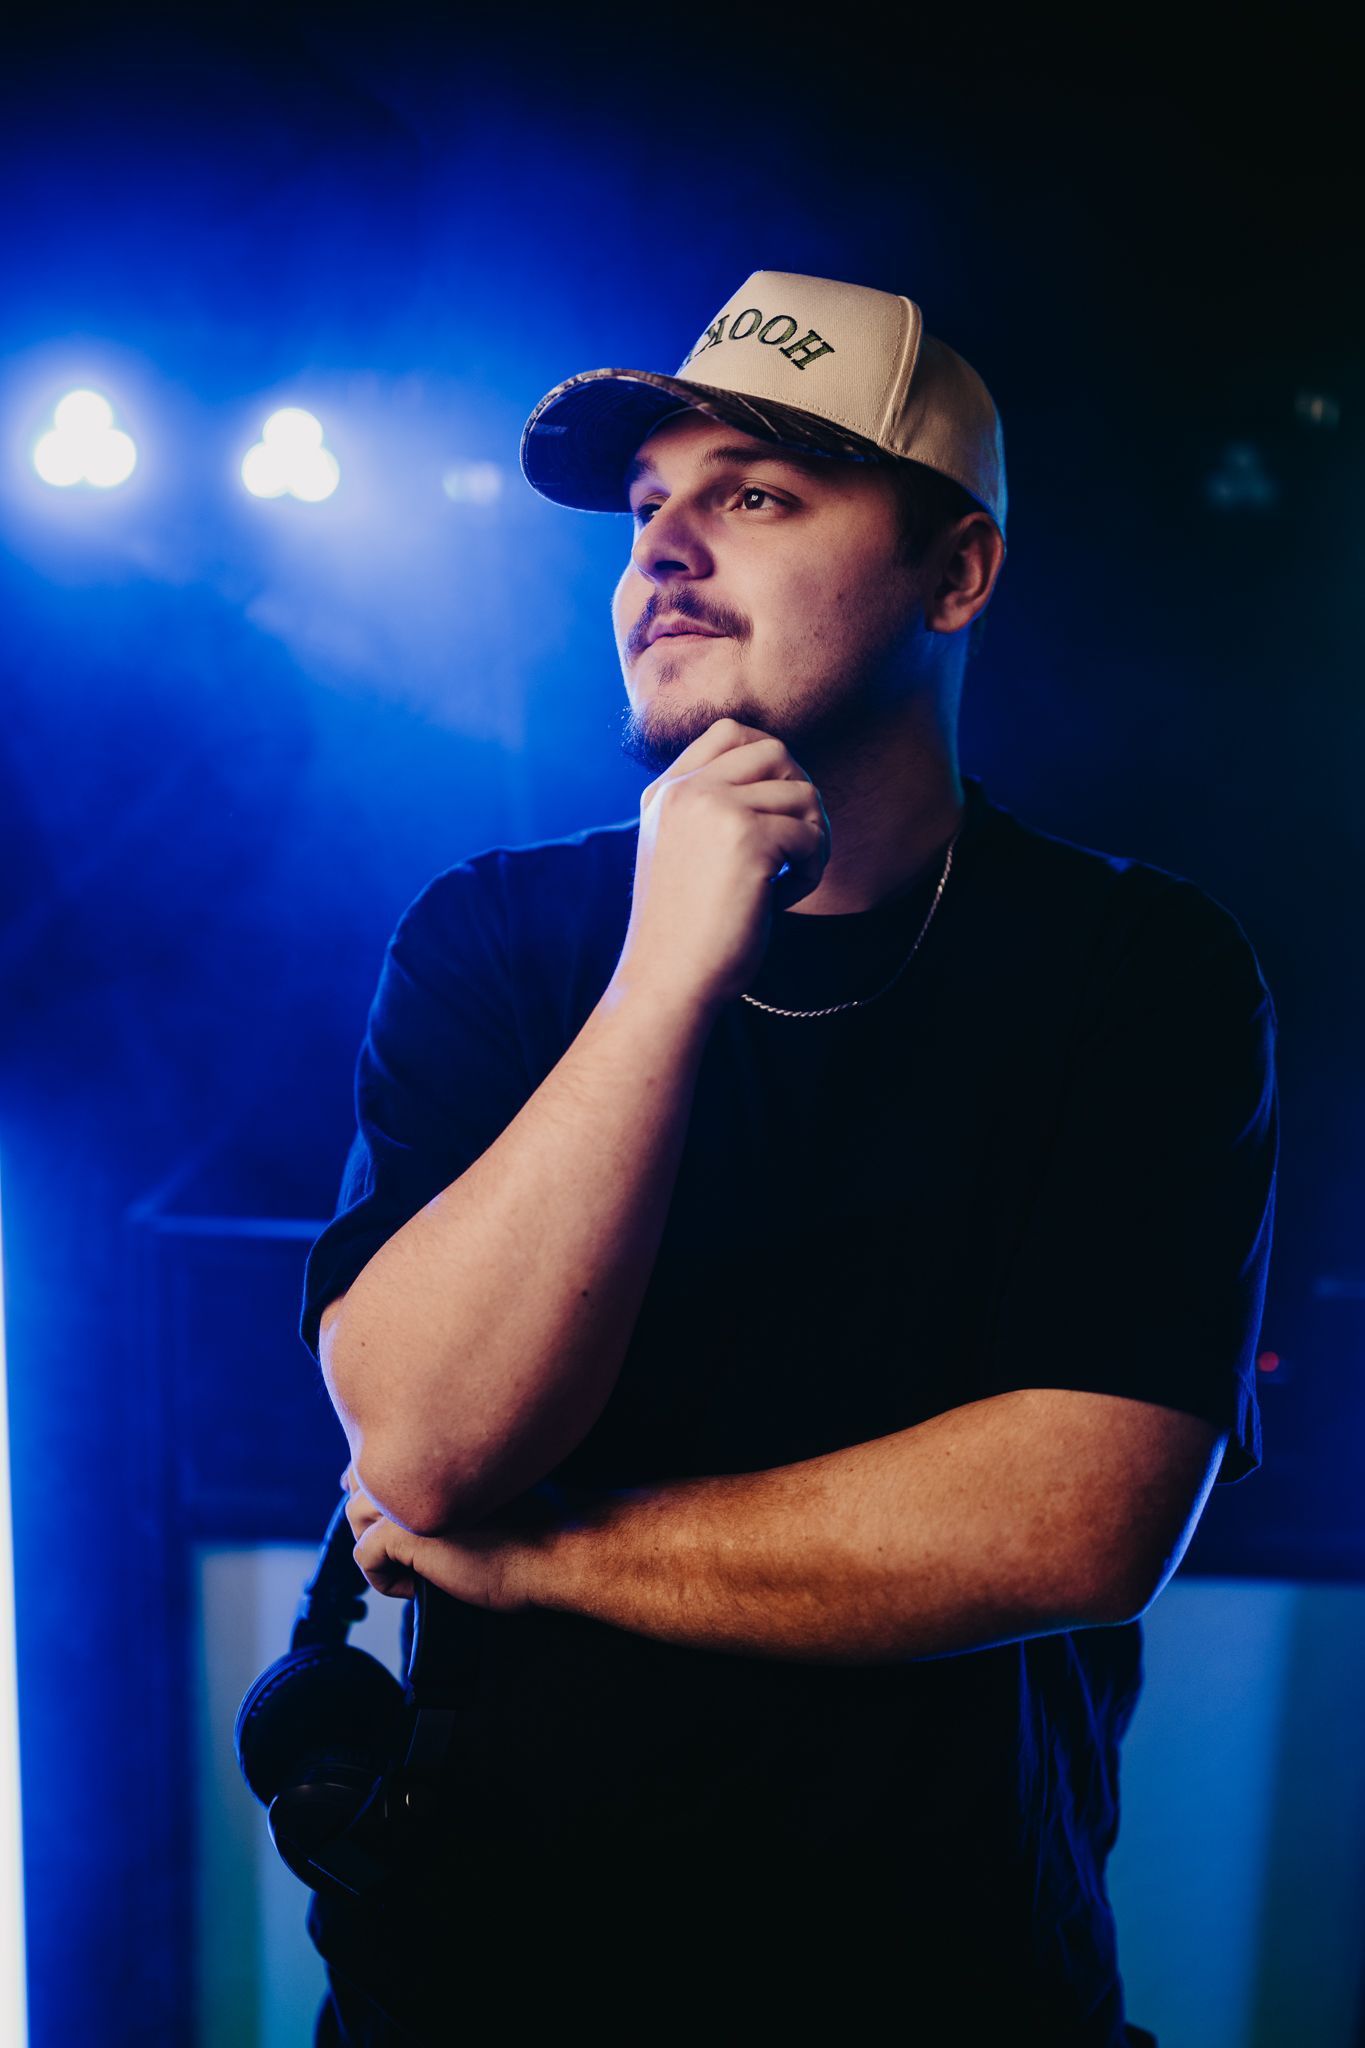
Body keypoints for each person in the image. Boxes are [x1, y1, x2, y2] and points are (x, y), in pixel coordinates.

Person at [298, 270, 1277, 2044]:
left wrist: (545, 1560)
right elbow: (428, 1442)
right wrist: (671, 962)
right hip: (487, 1991)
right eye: (646, 507)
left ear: (955, 572)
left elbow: (1076, 1519)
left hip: (950, 1990)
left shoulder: (1137, 969)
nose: (666, 549)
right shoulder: (496, 941)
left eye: (753, 494)